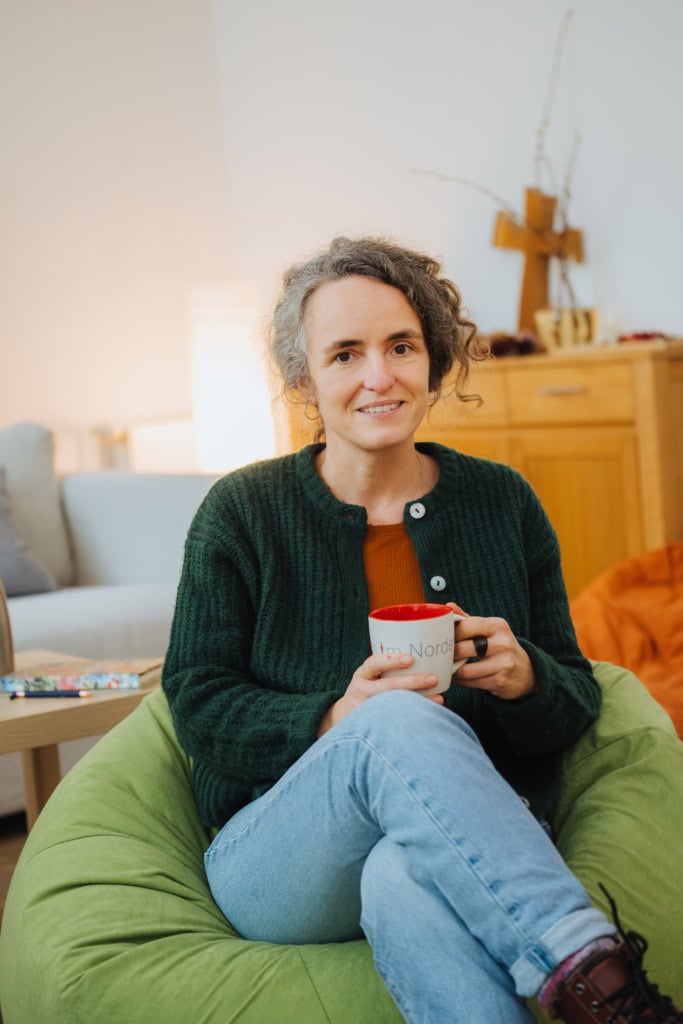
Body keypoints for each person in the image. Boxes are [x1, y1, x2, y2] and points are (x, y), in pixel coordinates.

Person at [162, 236, 682, 1024]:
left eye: (400, 346)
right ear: (305, 379)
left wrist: (526, 678)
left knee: (403, 875)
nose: (379, 376)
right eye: (345, 354)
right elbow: (196, 700)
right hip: (279, 859)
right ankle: (593, 970)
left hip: (467, 843)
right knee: (391, 718)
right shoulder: (241, 513)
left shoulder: (500, 501)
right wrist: (335, 719)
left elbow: (576, 699)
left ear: (432, 360)